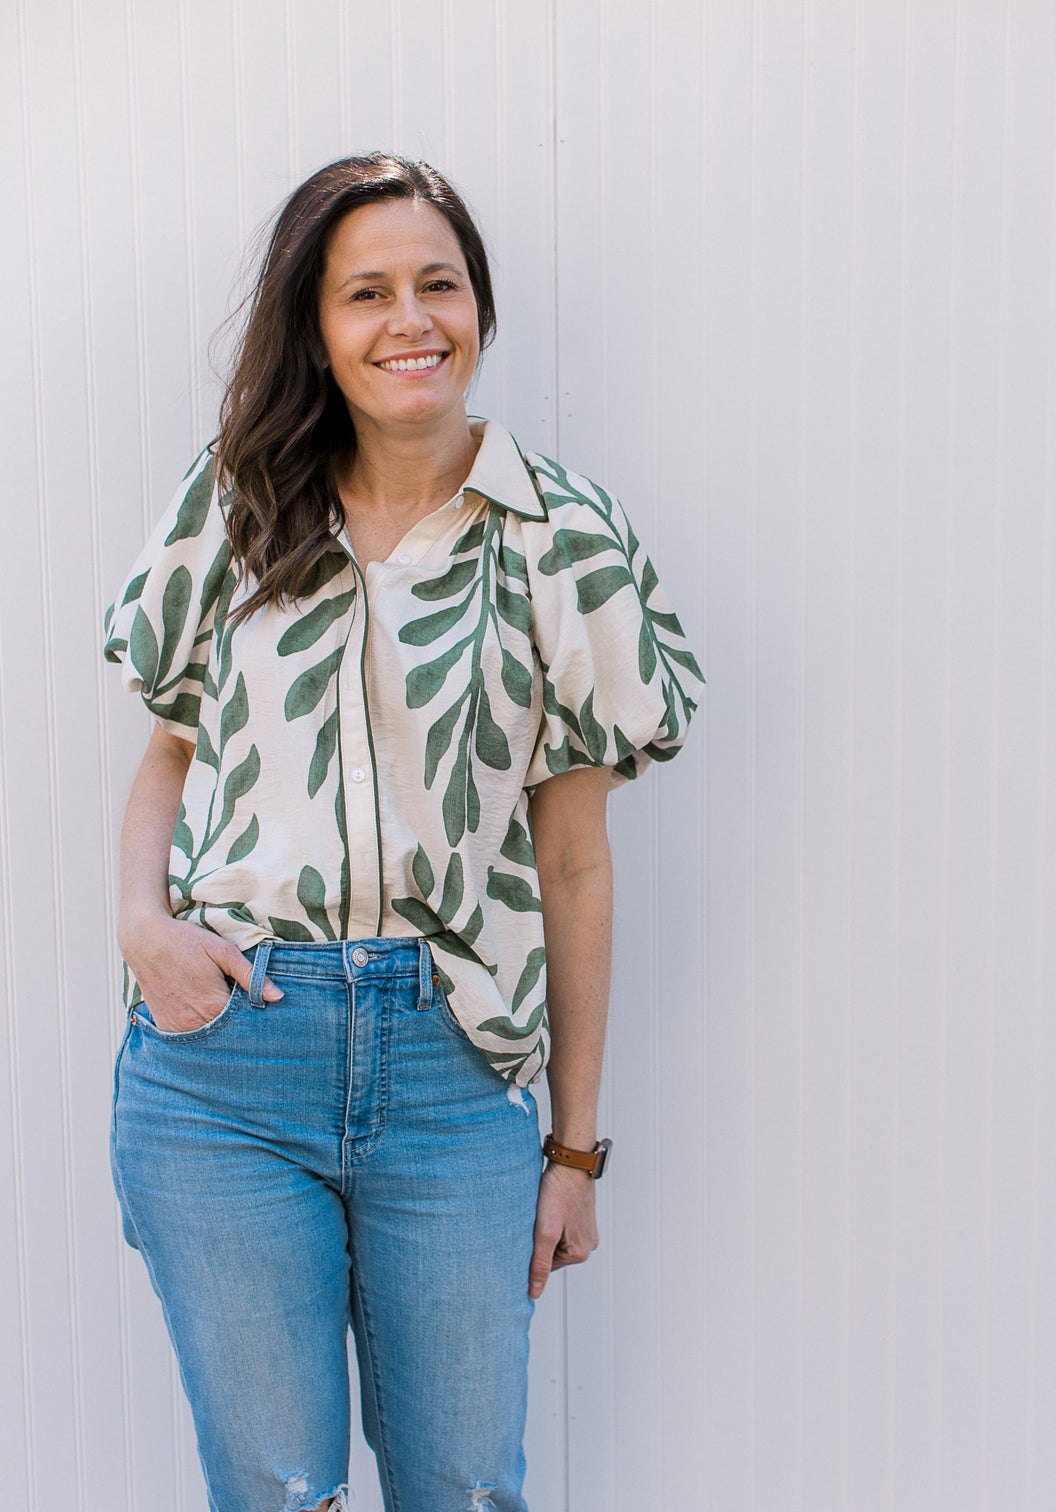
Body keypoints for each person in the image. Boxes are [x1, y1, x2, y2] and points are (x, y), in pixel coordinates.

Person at [104, 152, 702, 1512]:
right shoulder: (238, 501)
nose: (409, 319)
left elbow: (572, 863)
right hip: (225, 1067)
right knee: (279, 1490)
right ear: (316, 328)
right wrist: (144, 928)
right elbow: (164, 753)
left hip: (451, 1069)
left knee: (463, 1489)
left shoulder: (564, 539)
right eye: (364, 292)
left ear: (479, 308)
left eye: (439, 283)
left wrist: (574, 1148)